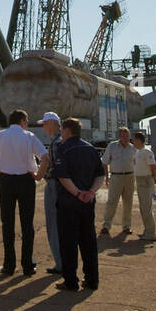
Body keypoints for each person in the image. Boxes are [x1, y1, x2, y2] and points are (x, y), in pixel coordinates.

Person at [0, 109, 47, 277]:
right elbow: (46, 157)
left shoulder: (0, 136)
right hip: (26, 181)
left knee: (7, 223)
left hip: (6, 181)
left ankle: (8, 265)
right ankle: (27, 265)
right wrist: (38, 175)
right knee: (27, 224)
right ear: (23, 121)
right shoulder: (29, 136)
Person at [52, 117, 105, 291]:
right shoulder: (90, 149)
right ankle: (92, 280)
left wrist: (77, 193)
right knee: (89, 242)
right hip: (88, 203)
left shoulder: (63, 148)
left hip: (69, 203)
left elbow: (62, 176)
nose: (60, 132)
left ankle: (70, 281)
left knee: (68, 242)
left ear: (68, 130)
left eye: (62, 129)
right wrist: (90, 192)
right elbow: (100, 175)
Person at [36, 112, 64, 274]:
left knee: (53, 224)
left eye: (45, 123)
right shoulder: (64, 140)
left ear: (53, 123)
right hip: (65, 187)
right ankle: (65, 260)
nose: (44, 127)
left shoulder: (55, 143)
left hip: (54, 185)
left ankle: (59, 263)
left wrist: (39, 174)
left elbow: (52, 165)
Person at [100, 127, 137, 236]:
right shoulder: (112, 146)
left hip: (129, 177)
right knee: (112, 202)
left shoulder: (133, 148)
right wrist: (107, 178)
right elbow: (105, 162)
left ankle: (126, 226)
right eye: (123, 136)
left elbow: (137, 163)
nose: (126, 138)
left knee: (128, 202)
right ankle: (106, 225)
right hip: (116, 177)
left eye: (127, 136)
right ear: (119, 136)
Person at [131, 131, 156, 241]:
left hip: (145, 180)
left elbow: (153, 167)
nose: (132, 141)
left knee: (146, 207)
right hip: (140, 180)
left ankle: (151, 232)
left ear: (138, 140)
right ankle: (147, 230)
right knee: (143, 207)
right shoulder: (139, 152)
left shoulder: (146, 152)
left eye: (134, 139)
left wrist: (153, 177)